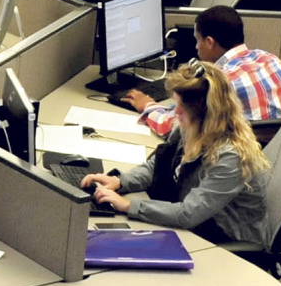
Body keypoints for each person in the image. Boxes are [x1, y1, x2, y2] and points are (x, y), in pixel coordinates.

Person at [82, 60, 271, 245]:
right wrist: (121, 181)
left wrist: (128, 206)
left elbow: (189, 214)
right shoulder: (190, 126)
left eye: (181, 107)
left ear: (204, 114)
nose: (176, 111)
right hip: (193, 221)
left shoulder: (231, 156)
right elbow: (157, 167)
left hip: (223, 241)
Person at [123, 5, 281, 137]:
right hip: (268, 151)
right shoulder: (272, 61)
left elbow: (170, 127)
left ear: (209, 42)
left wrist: (147, 105)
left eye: (197, 40)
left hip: (230, 160)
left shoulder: (217, 84)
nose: (196, 47)